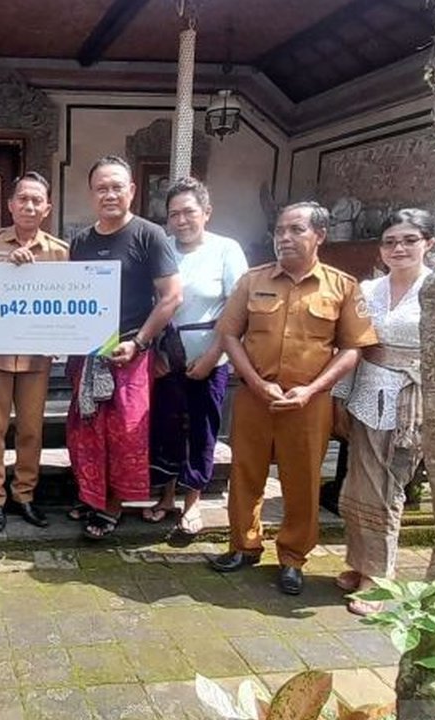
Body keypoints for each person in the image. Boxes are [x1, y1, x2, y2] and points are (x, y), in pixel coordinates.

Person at [211, 201, 378, 595]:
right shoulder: (253, 281)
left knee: (302, 481)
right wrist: (253, 381)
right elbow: (229, 334)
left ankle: (292, 558)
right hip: (255, 398)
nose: (284, 238)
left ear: (319, 235)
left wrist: (312, 390)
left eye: (296, 230)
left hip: (310, 403)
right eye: (280, 230)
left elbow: (353, 348)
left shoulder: (342, 286)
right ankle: (243, 545)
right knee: (245, 475)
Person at [66, 156, 182, 540]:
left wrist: (139, 342)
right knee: (86, 430)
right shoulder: (81, 240)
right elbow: (70, 295)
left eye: (117, 186)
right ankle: (92, 494)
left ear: (132, 190)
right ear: (92, 193)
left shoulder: (150, 235)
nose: (110, 194)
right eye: (102, 188)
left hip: (131, 353)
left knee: (125, 433)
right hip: (90, 353)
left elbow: (171, 297)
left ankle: (112, 505)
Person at [337, 209, 434, 615]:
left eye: (409, 239)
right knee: (359, 484)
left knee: (388, 488)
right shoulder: (368, 288)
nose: (399, 248)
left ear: (428, 243)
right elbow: (351, 342)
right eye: (391, 241)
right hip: (366, 392)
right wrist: (340, 395)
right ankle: (358, 564)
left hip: (410, 401)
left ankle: (380, 576)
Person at [144, 178, 248, 545]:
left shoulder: (226, 250)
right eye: (174, 214)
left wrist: (213, 355)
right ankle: (166, 495)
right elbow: (152, 304)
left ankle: (192, 502)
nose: (181, 220)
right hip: (166, 356)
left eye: (189, 211)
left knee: (202, 431)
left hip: (210, 353)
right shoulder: (162, 249)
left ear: (206, 212)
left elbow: (237, 310)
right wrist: (154, 351)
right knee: (166, 427)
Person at [0, 172, 69, 532]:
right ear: (10, 205)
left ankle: (24, 494)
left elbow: (65, 302)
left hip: (36, 356)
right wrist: (8, 272)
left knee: (31, 430)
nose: (29, 205)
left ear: (47, 208)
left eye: (36, 200)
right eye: (22, 199)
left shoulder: (59, 251)